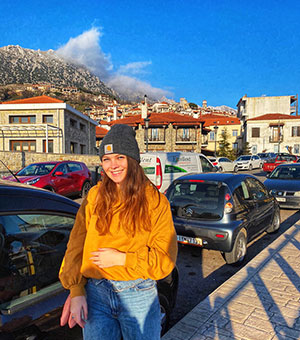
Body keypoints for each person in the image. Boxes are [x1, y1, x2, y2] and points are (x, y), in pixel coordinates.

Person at [59, 124, 178, 340]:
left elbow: (165, 259)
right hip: (96, 294)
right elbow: (76, 244)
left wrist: (123, 259)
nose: (113, 165)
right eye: (106, 159)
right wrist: (76, 290)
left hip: (139, 295)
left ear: (133, 159)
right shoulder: (94, 196)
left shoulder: (155, 201)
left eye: (120, 157)